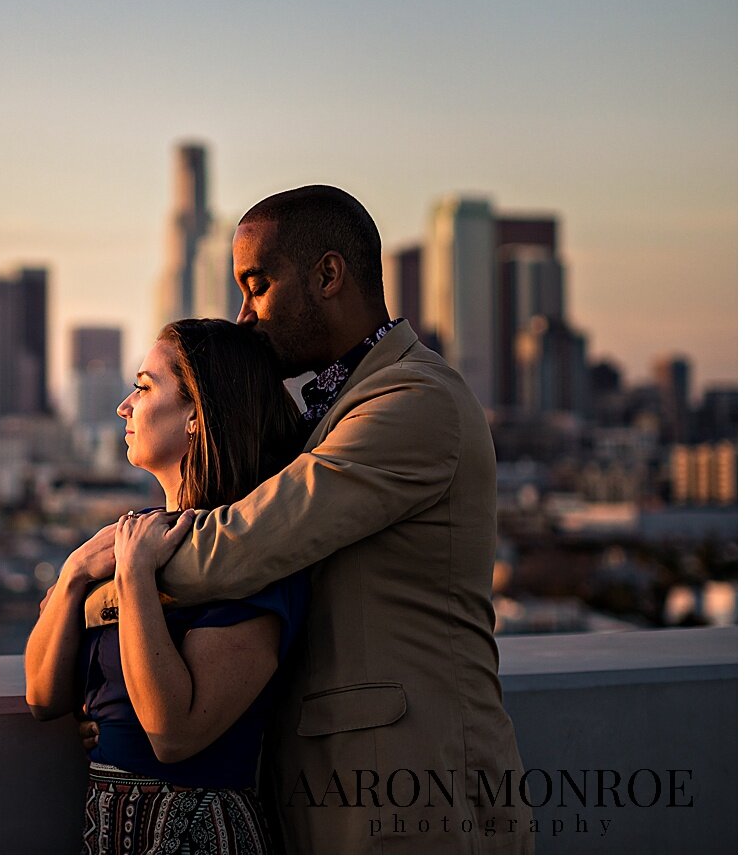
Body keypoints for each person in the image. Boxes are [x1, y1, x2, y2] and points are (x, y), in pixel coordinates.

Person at [83, 185, 533, 852]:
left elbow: (241, 546)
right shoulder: (333, 408)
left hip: (408, 778)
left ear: (326, 275)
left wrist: (104, 571)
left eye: (256, 286)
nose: (242, 317)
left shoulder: (412, 402)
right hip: (324, 781)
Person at [25, 318, 308, 854]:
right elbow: (42, 696)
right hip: (108, 825)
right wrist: (73, 577)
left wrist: (132, 579)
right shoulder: (132, 539)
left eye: (144, 386)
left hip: (197, 830)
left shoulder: (250, 562)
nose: (124, 407)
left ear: (197, 414)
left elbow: (173, 734)